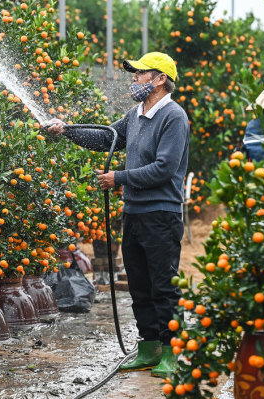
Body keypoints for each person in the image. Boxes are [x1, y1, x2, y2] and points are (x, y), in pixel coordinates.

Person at [45, 52, 189, 378]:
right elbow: (105, 139)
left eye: (140, 74)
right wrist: (66, 130)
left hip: (161, 214)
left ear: (160, 79)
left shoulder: (174, 117)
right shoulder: (135, 114)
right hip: (134, 213)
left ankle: (171, 352)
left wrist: (118, 178)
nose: (134, 79)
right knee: (139, 283)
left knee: (162, 285)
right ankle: (149, 346)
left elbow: (165, 168)